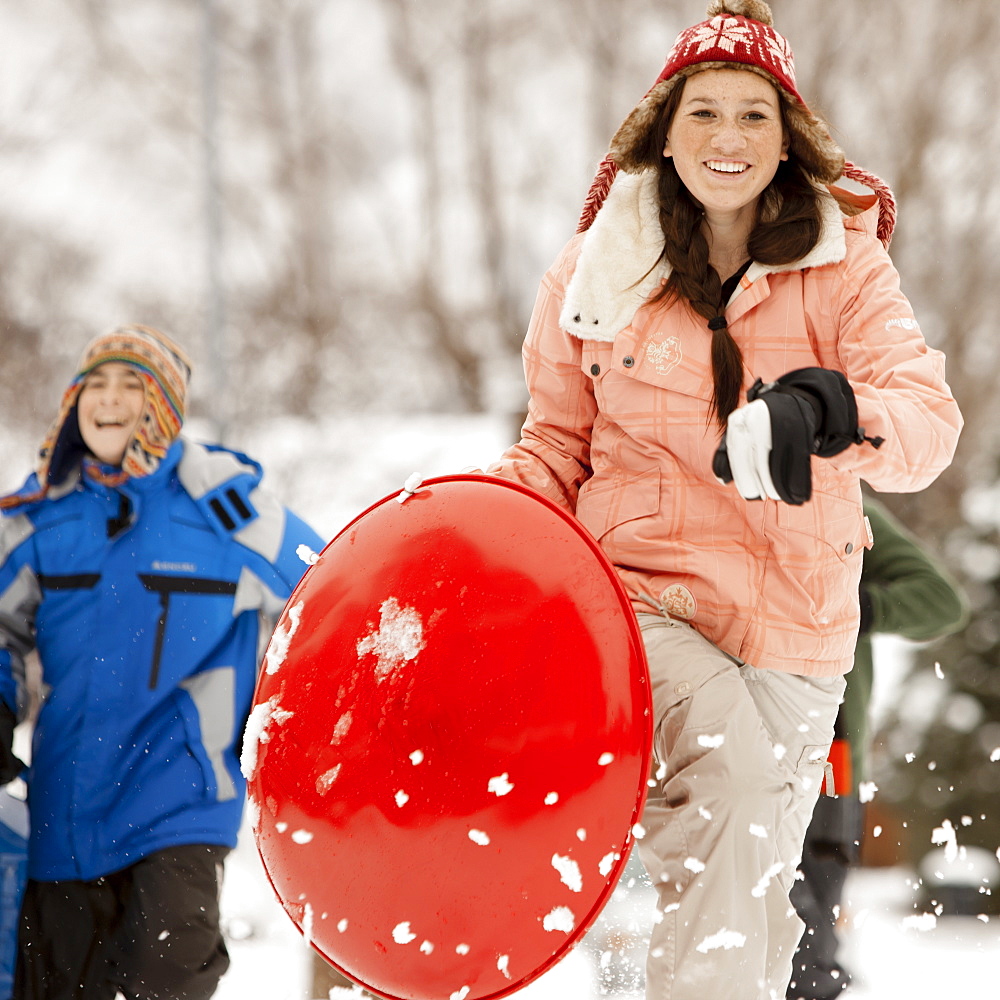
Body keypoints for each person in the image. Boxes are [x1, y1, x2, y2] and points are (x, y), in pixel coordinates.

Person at [487, 1, 962, 997]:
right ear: (664, 128)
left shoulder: (844, 268)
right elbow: (553, 446)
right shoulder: (595, 272)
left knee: (748, 905)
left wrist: (831, 408)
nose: (728, 138)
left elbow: (926, 426)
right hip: (642, 607)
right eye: (704, 113)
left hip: (797, 642)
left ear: (787, 137)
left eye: (753, 114)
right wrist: (478, 536)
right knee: (739, 820)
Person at [0, 325, 324, 1000]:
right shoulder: (42, 516)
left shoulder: (224, 508)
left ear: (166, 407)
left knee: (168, 980)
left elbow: (327, 590)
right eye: (96, 383)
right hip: (65, 809)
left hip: (180, 800)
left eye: (133, 385)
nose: (110, 400)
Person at [788, 498, 968, 1000]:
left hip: (831, 750)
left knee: (810, 924)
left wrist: (855, 607)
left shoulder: (840, 500)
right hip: (734, 742)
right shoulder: (699, 481)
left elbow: (941, 601)